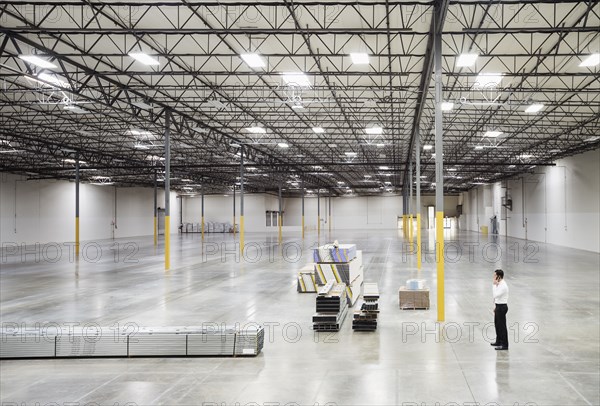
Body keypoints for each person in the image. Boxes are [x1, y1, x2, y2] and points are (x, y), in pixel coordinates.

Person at [491, 269, 509, 350]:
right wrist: (495, 306)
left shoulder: (503, 285)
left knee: (502, 327)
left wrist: (494, 285)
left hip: (502, 307)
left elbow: (495, 295)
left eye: (494, 275)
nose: (493, 277)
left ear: (499, 276)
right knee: (497, 325)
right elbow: (497, 298)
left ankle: (504, 345)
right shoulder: (499, 284)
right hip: (498, 306)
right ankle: (498, 341)